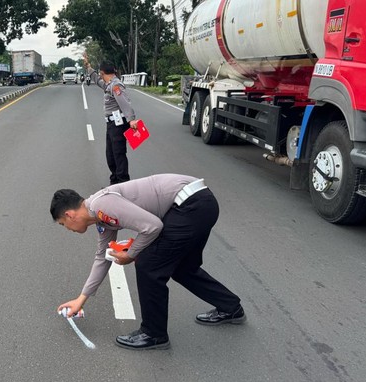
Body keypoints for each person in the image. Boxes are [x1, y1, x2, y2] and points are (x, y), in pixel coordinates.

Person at [51, 175, 246, 350]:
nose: (67, 229)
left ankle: (154, 333)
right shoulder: (101, 219)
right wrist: (80, 300)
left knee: (147, 264)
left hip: (191, 205)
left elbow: (152, 227)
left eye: (63, 224)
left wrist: (131, 254)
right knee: (182, 268)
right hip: (201, 203)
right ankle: (231, 308)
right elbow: (102, 258)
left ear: (69, 215)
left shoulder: (101, 205)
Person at [84, 53, 137, 185]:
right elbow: (97, 80)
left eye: (100, 73)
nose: (99, 76)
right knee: (111, 155)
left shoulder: (115, 85)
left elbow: (125, 102)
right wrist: (88, 67)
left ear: (102, 72)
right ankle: (114, 183)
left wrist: (131, 119)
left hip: (118, 125)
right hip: (112, 125)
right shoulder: (109, 85)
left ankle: (123, 184)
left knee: (118, 154)